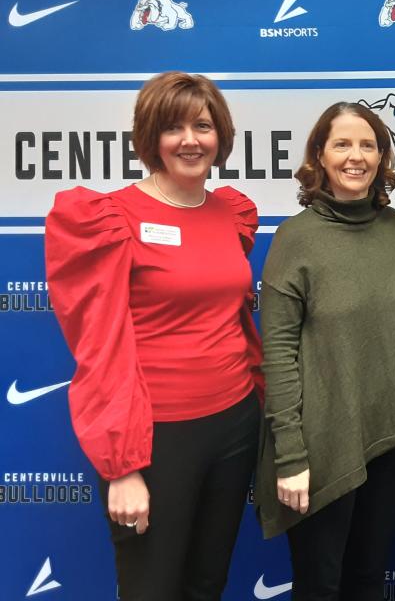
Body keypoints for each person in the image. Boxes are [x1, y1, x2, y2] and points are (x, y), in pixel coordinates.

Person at [45, 71, 262, 600]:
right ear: (150, 139)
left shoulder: (229, 213)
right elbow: (99, 345)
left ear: (221, 135)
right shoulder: (111, 218)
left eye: (203, 126)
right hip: (156, 437)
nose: (190, 140)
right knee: (152, 589)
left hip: (234, 424)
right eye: (173, 128)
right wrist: (122, 469)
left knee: (207, 585)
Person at [255, 102, 395, 601]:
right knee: (320, 586)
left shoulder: (394, 228)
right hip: (319, 448)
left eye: (367, 145)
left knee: (368, 581)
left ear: (382, 156)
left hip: (385, 442)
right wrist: (290, 455)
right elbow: (278, 353)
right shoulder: (295, 238)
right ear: (320, 157)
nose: (356, 156)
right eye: (342, 144)